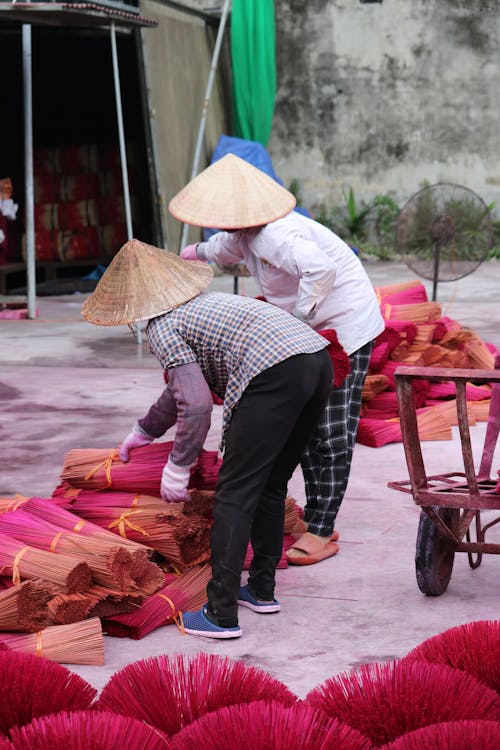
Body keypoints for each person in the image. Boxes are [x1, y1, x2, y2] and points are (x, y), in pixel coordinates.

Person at [81, 237, 333, 639]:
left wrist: (177, 466)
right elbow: (180, 390)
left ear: (132, 308)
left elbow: (196, 406)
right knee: (269, 485)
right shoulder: (205, 305)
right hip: (315, 361)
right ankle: (263, 591)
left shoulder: (164, 326)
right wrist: (142, 431)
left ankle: (220, 614)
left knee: (235, 493)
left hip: (274, 371)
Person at [173, 153, 385, 565]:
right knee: (303, 428)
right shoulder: (242, 235)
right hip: (306, 335)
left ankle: (322, 529)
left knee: (330, 433)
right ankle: (319, 516)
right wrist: (188, 254)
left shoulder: (276, 235)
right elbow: (220, 248)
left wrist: (300, 319)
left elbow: (320, 270)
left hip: (345, 325)